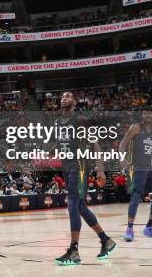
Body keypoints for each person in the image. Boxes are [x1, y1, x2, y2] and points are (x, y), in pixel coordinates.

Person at [54, 92, 116, 266]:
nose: (63, 98)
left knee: (73, 203)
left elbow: (94, 144)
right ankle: (106, 240)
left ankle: (74, 250)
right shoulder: (58, 123)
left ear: (74, 102)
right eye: (61, 97)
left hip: (79, 165)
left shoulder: (79, 119)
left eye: (67, 96)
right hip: (67, 166)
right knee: (80, 206)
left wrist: (100, 169)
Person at [119, 110, 152, 242]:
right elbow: (123, 143)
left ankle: (149, 227)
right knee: (136, 196)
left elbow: (151, 151)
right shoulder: (136, 127)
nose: (147, 115)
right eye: (145, 113)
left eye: (149, 113)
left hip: (149, 169)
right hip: (137, 168)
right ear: (142, 116)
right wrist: (121, 157)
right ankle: (129, 228)